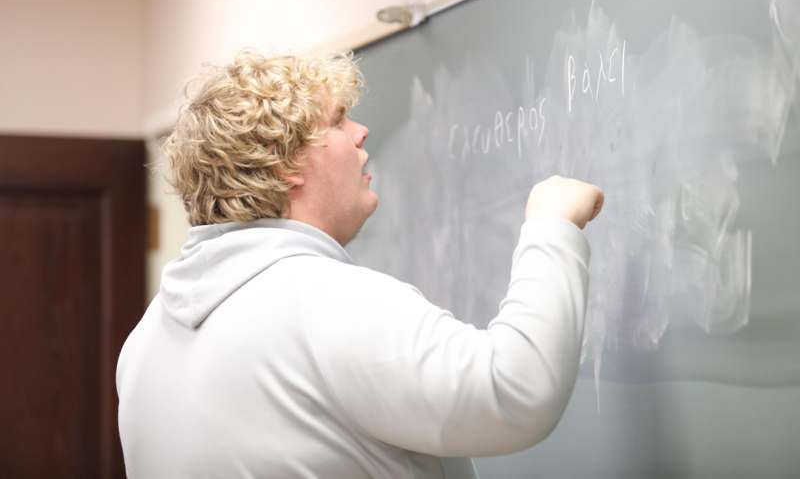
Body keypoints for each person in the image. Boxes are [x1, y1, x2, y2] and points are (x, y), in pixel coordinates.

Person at [116, 49, 604, 479]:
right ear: (283, 163)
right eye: (336, 121)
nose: (361, 131)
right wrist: (552, 227)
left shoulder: (146, 339)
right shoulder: (324, 301)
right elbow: (514, 393)